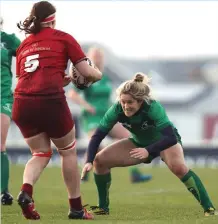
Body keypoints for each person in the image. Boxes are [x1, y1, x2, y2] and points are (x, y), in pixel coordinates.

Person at [12, 1, 102, 220]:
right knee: (68, 151)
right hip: (50, 101)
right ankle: (76, 209)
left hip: (22, 102)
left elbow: (28, 79)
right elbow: (85, 72)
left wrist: (59, 81)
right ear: (52, 19)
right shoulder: (63, 37)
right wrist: (97, 74)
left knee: (40, 153)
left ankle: (26, 191)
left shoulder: (24, 45)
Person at [81, 73, 217, 216]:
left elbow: (170, 137)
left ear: (140, 101)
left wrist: (148, 150)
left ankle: (209, 208)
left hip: (164, 142)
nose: (125, 106)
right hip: (138, 143)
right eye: (123, 102)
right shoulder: (116, 109)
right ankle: (103, 208)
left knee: (179, 168)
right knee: (99, 161)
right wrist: (89, 160)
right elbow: (98, 135)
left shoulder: (153, 107)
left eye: (130, 102)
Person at [68, 47, 152, 183]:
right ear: (89, 58)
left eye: (100, 57)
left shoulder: (104, 77)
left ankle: (135, 174)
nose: (98, 59)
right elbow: (72, 94)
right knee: (95, 144)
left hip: (107, 116)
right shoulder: (85, 76)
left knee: (129, 138)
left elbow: (110, 98)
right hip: (92, 117)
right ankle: (84, 174)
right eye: (95, 56)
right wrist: (87, 105)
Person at [0, 17, 21, 205]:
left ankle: (4, 191)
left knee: (0, 144)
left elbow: (27, 55)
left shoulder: (8, 40)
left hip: (2, 97)